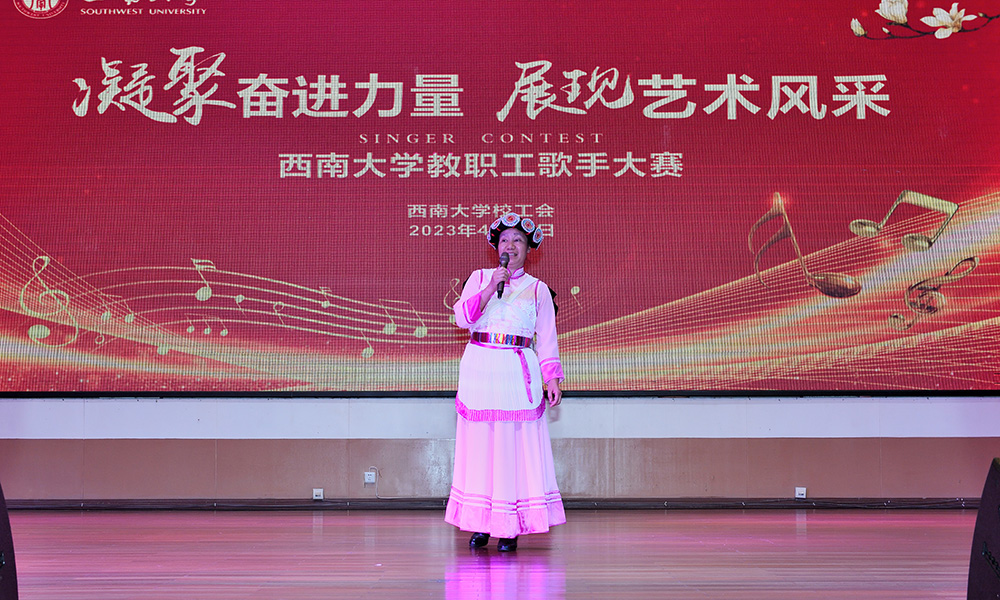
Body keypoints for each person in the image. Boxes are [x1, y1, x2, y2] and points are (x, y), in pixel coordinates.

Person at [444, 212, 566, 552]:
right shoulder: (479, 278)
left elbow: (547, 338)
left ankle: (509, 526)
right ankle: (480, 524)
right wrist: (488, 288)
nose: (510, 246)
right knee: (480, 448)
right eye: (505, 240)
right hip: (481, 368)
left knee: (512, 449)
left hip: (516, 371)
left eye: (518, 241)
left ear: (528, 249)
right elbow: (462, 317)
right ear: (496, 247)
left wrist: (552, 378)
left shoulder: (538, 289)